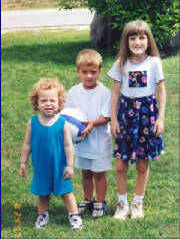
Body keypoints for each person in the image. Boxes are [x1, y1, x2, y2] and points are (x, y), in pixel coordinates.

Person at [107, 20, 166, 220]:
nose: (137, 42)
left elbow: (161, 91)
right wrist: (113, 119)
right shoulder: (120, 64)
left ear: (148, 41)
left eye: (142, 37)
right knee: (121, 164)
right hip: (125, 118)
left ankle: (137, 203)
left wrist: (160, 118)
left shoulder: (154, 63)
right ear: (126, 41)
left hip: (147, 117)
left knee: (142, 164)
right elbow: (115, 93)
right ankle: (122, 203)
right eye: (133, 38)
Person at [19, 78, 82, 230]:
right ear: (37, 103)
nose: (48, 104)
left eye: (52, 100)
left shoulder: (62, 123)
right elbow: (27, 144)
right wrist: (23, 163)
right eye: (44, 100)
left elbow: (68, 146)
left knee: (66, 192)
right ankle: (42, 215)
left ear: (60, 103)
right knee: (43, 192)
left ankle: (74, 216)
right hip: (41, 166)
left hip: (60, 166)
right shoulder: (32, 122)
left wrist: (70, 165)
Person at [65, 49, 112, 217]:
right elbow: (68, 114)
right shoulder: (73, 92)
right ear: (78, 71)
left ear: (100, 71)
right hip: (81, 141)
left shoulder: (104, 92)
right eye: (85, 72)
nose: (89, 76)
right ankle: (88, 199)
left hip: (99, 140)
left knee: (99, 173)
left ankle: (100, 202)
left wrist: (93, 123)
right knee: (85, 172)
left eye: (93, 72)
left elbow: (106, 116)